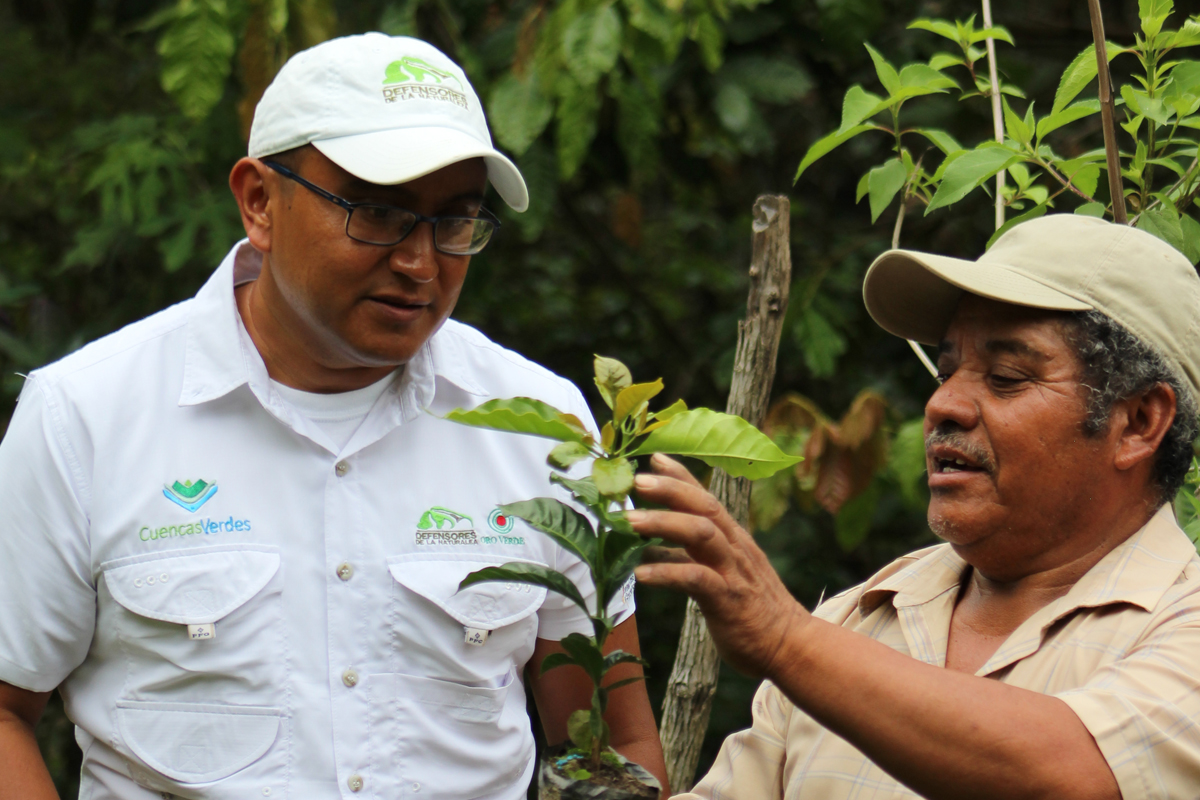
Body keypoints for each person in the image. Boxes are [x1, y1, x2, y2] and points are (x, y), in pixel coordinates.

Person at [0, 33, 666, 800]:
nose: (420, 262)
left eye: (455, 221)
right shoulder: (87, 416)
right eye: (379, 212)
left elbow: (613, 742)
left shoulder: (541, 429)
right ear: (259, 201)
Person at [630, 214, 1200, 799]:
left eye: (1005, 377)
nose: (943, 403)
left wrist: (783, 639)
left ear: (1137, 423)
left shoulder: (1185, 625)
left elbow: (1069, 776)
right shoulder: (857, 621)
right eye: (947, 369)